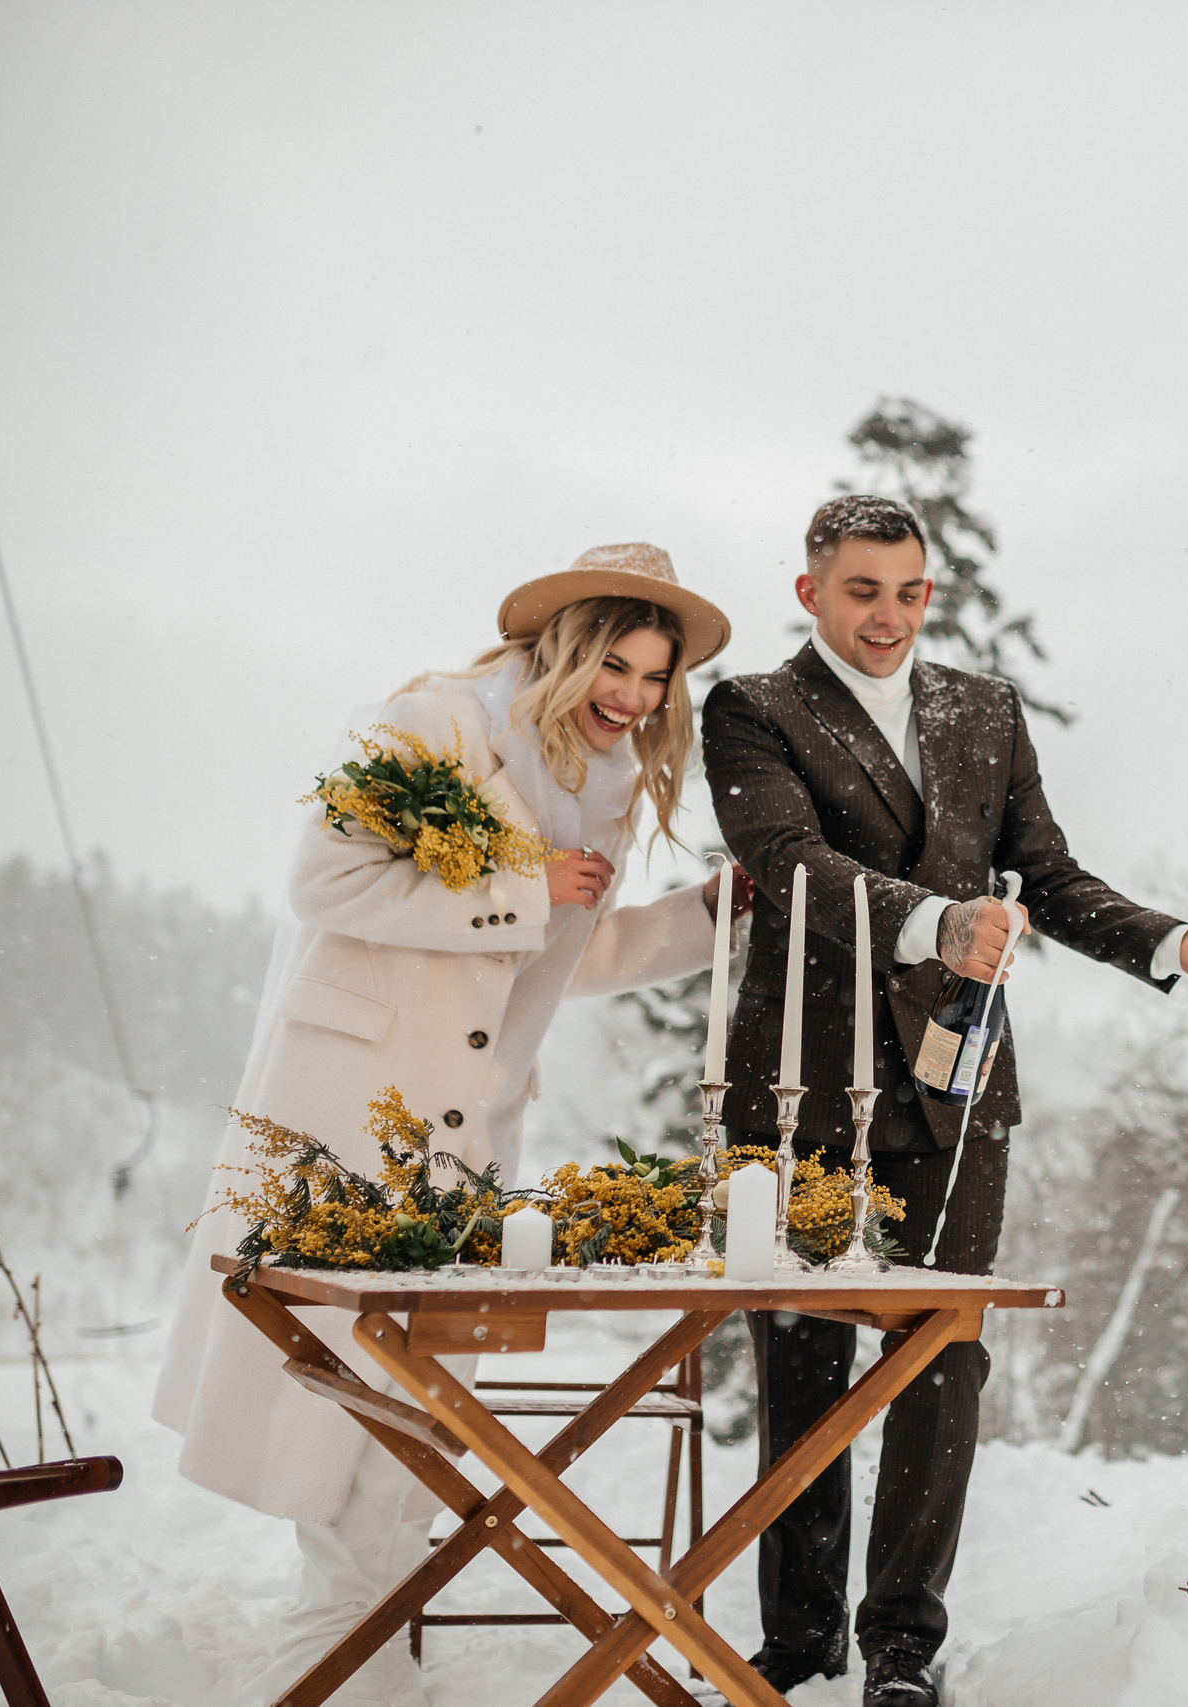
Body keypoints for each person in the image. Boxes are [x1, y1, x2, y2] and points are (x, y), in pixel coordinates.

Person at [152, 544, 750, 1707]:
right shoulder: (430, 724)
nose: (632, 697)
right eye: (614, 664)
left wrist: (712, 912)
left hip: (471, 1131)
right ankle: (346, 1664)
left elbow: (571, 953)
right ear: (564, 646)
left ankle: (353, 1660)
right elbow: (325, 884)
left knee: (420, 1420)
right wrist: (530, 885)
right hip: (348, 1112)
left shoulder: (608, 784)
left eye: (655, 679)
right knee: (348, 1403)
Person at [701, 494, 1188, 1703]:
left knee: (940, 1360)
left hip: (957, 1088)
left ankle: (903, 1650)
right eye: (864, 591)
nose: (890, 617)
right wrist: (936, 920)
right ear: (810, 592)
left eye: (910, 592)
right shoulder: (753, 709)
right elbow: (787, 864)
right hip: (801, 1075)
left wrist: (1171, 942)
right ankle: (799, 1648)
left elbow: (1049, 875)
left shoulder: (981, 708)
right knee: (800, 1357)